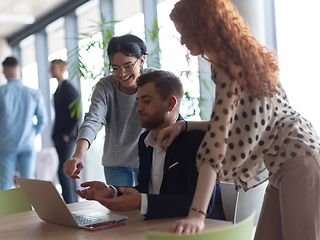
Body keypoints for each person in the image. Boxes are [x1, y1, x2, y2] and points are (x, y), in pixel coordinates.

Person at [155, 0, 320, 239]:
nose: (181, 40)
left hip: (298, 158)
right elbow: (234, 123)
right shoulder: (232, 62)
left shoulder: (233, 68)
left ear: (203, 26)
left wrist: (197, 214)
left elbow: (217, 143)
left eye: (185, 31)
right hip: (280, 163)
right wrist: (184, 125)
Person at [75, 70, 225, 220]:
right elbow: (150, 191)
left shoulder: (197, 141)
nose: (138, 108)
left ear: (170, 103)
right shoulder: (144, 141)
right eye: (138, 101)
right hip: (160, 227)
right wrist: (113, 191)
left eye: (146, 101)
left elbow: (203, 205)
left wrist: (142, 202)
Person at [64, 34, 156, 187]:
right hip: (116, 162)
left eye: (128, 66)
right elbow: (93, 120)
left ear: (141, 61)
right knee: (119, 208)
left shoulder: (155, 79)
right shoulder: (105, 87)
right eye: (115, 68)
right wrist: (79, 155)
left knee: (149, 207)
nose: (122, 73)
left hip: (150, 158)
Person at [0, 57, 47, 190]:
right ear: (19, 69)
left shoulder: (1, 93)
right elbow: (43, 120)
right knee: (29, 184)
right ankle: (30, 211)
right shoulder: (34, 93)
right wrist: (32, 134)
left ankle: (7, 211)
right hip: (27, 144)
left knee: (5, 185)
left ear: (4, 71)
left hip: (5, 145)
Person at [50, 59, 81, 203]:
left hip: (66, 137)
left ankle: (71, 204)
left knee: (64, 171)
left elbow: (77, 113)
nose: (51, 71)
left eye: (54, 68)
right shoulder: (60, 87)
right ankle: (72, 202)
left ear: (63, 69)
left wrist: (67, 133)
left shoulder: (68, 87)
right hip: (60, 136)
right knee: (66, 171)